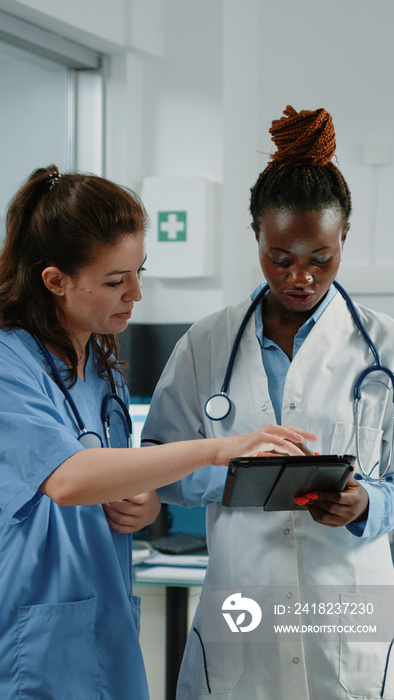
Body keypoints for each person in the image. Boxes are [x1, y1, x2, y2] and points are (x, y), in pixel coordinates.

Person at [0, 165, 315, 700]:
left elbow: (115, 477)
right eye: (116, 281)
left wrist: (143, 506)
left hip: (106, 625)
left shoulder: (101, 366)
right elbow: (69, 480)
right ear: (55, 281)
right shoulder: (10, 363)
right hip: (38, 636)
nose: (137, 294)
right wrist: (219, 448)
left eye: (139, 271)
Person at [131, 107, 394, 699]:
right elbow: (157, 463)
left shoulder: (385, 348)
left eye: (320, 258)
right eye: (280, 258)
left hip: (347, 610)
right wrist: (230, 473)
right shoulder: (207, 343)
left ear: (344, 238)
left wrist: (368, 502)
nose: (300, 276)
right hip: (242, 603)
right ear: (256, 237)